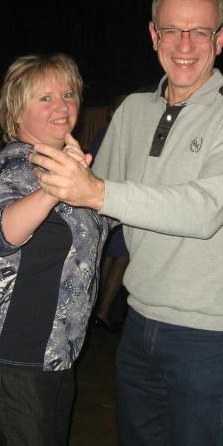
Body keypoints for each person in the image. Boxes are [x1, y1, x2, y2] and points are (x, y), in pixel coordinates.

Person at [29, 0, 223, 446]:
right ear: (153, 35)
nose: (185, 45)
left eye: (200, 32)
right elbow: (95, 211)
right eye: (172, 30)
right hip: (140, 325)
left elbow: (203, 209)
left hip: (208, 334)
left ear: (220, 39)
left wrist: (96, 191)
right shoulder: (134, 109)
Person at [0, 54, 109, 446]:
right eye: (45, 97)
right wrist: (53, 190)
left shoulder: (63, 165)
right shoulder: (17, 164)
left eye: (68, 94)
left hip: (52, 354)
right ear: (15, 113)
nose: (62, 105)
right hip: (13, 356)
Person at [87, 94, 129, 332]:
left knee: (107, 258)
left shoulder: (103, 135)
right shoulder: (119, 136)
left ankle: (95, 308)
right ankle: (102, 311)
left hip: (105, 202)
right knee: (120, 260)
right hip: (116, 201)